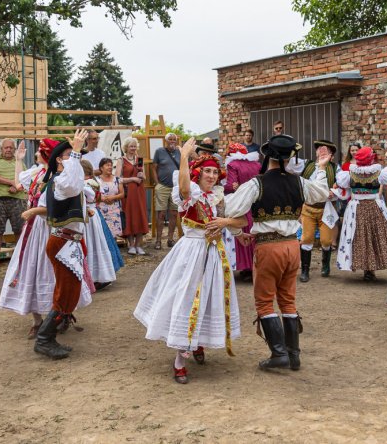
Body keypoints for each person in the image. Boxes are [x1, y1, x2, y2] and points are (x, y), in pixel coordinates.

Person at [134, 138, 245, 384]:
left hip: (214, 255)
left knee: (209, 299)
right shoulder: (191, 194)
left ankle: (198, 343)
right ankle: (180, 361)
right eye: (207, 171)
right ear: (198, 172)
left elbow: (239, 221)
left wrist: (234, 229)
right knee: (187, 300)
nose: (212, 176)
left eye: (216, 172)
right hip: (191, 253)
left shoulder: (216, 198)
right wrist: (184, 157)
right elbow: (184, 188)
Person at [224, 134, 330, 370]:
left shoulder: (256, 183)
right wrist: (321, 168)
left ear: (267, 155)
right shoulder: (300, 182)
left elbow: (232, 209)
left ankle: (279, 354)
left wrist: (238, 232)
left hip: (268, 247)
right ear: (290, 157)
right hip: (293, 246)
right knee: (288, 301)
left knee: (264, 303)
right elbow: (322, 194)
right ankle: (293, 355)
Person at [0, 140, 92, 339]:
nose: (38, 155)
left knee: (61, 280)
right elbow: (21, 186)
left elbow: (73, 190)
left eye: (41, 152)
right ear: (56, 158)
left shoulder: (63, 177)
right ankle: (42, 326)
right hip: (45, 231)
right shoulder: (46, 177)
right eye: (70, 155)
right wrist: (18, 161)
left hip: (58, 231)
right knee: (37, 273)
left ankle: (59, 318)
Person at [34, 130, 93, 360]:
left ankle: (48, 337)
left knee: (69, 293)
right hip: (63, 242)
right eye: (68, 155)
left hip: (69, 242)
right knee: (64, 293)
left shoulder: (64, 181)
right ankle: (44, 339)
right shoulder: (60, 182)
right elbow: (72, 185)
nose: (74, 159)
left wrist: (76, 155)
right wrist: (76, 153)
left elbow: (77, 184)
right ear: (59, 160)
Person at [336, 146, 387, 281]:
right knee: (374, 236)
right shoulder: (379, 172)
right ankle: (370, 269)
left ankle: (366, 268)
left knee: (360, 237)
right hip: (374, 206)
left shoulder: (349, 173)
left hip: (356, 208)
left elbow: (342, 184)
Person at [297, 140, 339, 281]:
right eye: (319, 149)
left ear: (331, 154)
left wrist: (334, 191)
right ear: (315, 152)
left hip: (325, 210)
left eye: (325, 150)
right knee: (306, 238)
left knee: (326, 241)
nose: (321, 152)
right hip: (308, 208)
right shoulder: (306, 165)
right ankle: (305, 271)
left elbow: (343, 187)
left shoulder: (335, 168)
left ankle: (325, 264)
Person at [0, 138, 26, 274]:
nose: (8, 150)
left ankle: (20, 263)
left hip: (18, 200)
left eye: (11, 147)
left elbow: (24, 179)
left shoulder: (19, 162)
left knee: (19, 231)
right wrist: (12, 182)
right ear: (1, 149)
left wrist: (17, 187)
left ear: (14, 150)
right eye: (6, 147)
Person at [224, 142, 261, 280]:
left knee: (243, 234)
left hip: (241, 203)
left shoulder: (232, 165)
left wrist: (222, 188)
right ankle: (256, 267)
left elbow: (231, 186)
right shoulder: (257, 165)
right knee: (255, 232)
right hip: (256, 203)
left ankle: (247, 268)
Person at [81, 160, 117, 287]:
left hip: (88, 215)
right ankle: (99, 275)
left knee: (90, 244)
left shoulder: (85, 184)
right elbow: (99, 198)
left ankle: (94, 276)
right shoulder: (94, 182)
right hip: (94, 214)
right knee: (97, 244)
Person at [116, 137, 148, 255]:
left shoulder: (139, 159)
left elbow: (144, 177)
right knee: (129, 216)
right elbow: (117, 178)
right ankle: (131, 245)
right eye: (131, 146)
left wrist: (141, 175)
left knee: (140, 216)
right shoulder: (121, 160)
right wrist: (132, 179)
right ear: (126, 147)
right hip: (128, 192)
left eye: (135, 146)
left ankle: (139, 245)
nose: (133, 148)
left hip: (139, 192)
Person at [151, 133, 182, 249]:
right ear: (166, 141)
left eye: (174, 139)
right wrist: (157, 183)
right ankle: (158, 240)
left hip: (176, 187)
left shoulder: (180, 152)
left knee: (174, 213)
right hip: (163, 186)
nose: (172, 141)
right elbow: (153, 167)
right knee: (161, 214)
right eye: (170, 139)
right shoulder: (159, 151)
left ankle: (170, 239)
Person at [97, 158, 124, 238]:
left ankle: (114, 250)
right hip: (101, 209)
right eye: (107, 165)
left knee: (114, 233)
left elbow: (122, 194)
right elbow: (93, 194)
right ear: (101, 168)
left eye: (111, 165)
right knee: (103, 232)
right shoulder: (96, 180)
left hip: (114, 209)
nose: (110, 167)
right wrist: (103, 199)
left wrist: (113, 197)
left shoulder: (117, 179)